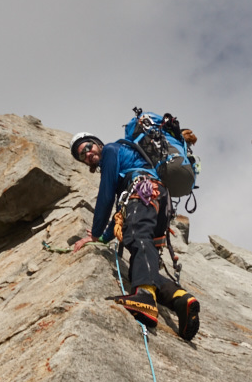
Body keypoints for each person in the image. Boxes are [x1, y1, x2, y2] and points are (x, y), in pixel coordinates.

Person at [70, 125, 201, 341]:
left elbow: (106, 195)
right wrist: (103, 237)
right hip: (158, 201)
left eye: (88, 147)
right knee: (139, 267)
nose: (87, 154)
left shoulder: (111, 150)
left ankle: (145, 297)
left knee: (138, 237)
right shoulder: (125, 162)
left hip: (144, 192)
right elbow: (122, 212)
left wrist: (95, 232)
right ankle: (181, 299)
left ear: (98, 143)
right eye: (82, 156)